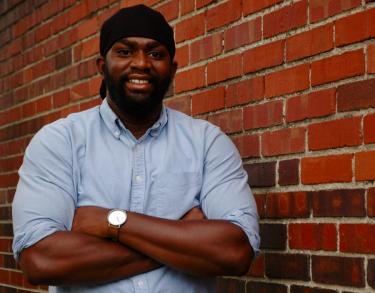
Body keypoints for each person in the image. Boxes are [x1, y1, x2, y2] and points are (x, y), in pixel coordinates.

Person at [12, 4, 260, 293]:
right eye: (125, 51)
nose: (141, 63)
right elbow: (40, 259)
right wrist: (181, 240)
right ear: (102, 67)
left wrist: (112, 223)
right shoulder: (59, 141)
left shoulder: (208, 143)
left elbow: (236, 251)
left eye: (155, 53)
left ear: (173, 69)